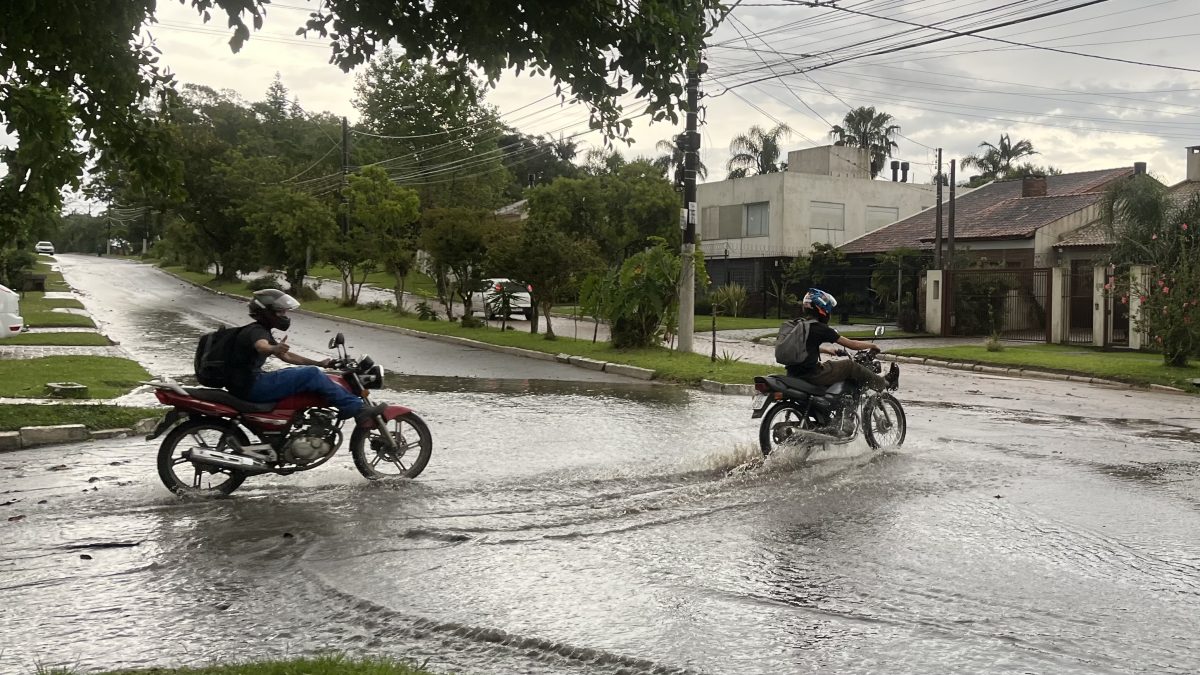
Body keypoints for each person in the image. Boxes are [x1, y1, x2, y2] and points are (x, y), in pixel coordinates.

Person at [226, 289, 384, 422]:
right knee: (311, 374)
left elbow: (288, 357)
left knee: (307, 372)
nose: (285, 314)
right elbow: (261, 346)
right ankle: (355, 408)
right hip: (252, 386)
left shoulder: (259, 329)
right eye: (280, 311)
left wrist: (320, 363)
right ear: (267, 312)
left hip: (248, 383)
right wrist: (273, 348)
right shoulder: (257, 332)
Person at [785, 288, 899, 391]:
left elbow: (802, 348)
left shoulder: (799, 325)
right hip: (812, 375)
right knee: (850, 365)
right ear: (822, 310)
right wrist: (872, 346)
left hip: (793, 373)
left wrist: (827, 350)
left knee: (830, 365)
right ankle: (885, 383)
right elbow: (852, 344)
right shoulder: (820, 328)